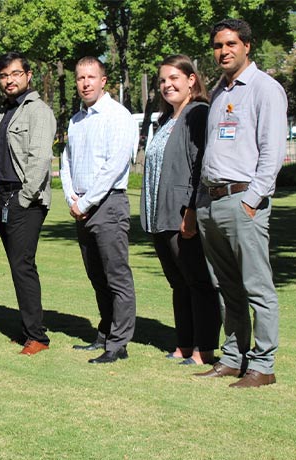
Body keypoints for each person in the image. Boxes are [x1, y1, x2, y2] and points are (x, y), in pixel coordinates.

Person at [194, 19, 287, 388]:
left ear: (248, 45)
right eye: (218, 46)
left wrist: (252, 200)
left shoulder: (266, 89)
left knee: (257, 286)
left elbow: (273, 152)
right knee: (226, 287)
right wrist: (203, 201)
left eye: (231, 43)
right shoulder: (219, 92)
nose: (223, 51)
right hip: (212, 203)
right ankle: (233, 357)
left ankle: (263, 366)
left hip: (243, 201)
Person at [140, 55, 222, 365]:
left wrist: (191, 210)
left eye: (174, 78)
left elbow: (201, 165)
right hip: (159, 214)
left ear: (191, 80)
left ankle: (205, 347)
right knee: (178, 282)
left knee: (198, 281)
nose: (166, 84)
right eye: (162, 80)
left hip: (182, 213)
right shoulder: (164, 120)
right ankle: (184, 344)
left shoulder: (198, 114)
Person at [60, 56, 138, 364]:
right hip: (82, 205)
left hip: (107, 205)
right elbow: (66, 161)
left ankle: (118, 344)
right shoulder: (77, 120)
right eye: (80, 78)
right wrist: (71, 199)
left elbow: (114, 166)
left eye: (91, 77)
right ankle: (105, 334)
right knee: (97, 276)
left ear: (103, 80)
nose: (85, 83)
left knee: (116, 276)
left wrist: (86, 201)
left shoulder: (118, 116)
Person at [0, 52, 56, 355]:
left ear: (28, 75)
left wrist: (22, 200)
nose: (9, 80)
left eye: (15, 73)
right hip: (4, 197)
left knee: (23, 265)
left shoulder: (38, 111)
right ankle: (28, 330)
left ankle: (38, 337)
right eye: (3, 75)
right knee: (17, 267)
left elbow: (40, 159)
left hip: (26, 199)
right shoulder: (3, 113)